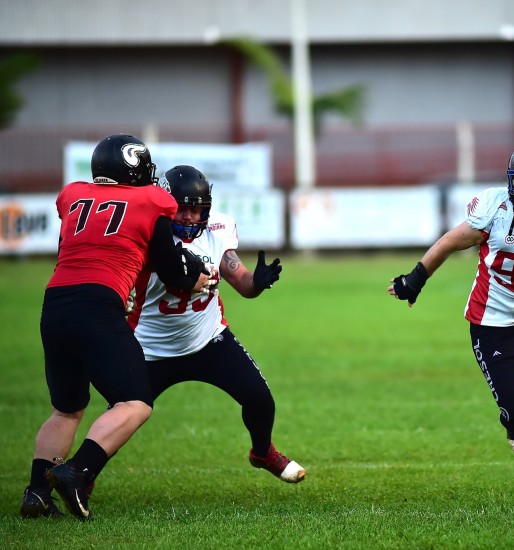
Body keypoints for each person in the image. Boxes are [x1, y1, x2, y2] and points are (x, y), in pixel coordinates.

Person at [387, 139, 514, 514]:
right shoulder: (495, 207)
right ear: (511, 180)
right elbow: (449, 242)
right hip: (492, 324)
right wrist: (415, 279)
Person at [20, 135, 210, 520]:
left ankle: (37, 492)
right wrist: (196, 278)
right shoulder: (152, 201)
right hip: (97, 305)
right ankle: (76, 472)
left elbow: (70, 250)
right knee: (135, 401)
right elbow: (172, 271)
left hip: (55, 303)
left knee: (66, 409)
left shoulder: (73, 196)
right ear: (136, 168)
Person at [126, 165, 305, 485]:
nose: (190, 217)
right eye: (183, 208)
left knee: (260, 399)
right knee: (120, 416)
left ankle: (262, 452)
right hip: (151, 347)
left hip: (207, 339)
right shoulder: (148, 233)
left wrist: (258, 282)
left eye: (197, 210)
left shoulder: (217, 229)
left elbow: (243, 283)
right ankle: (83, 474)